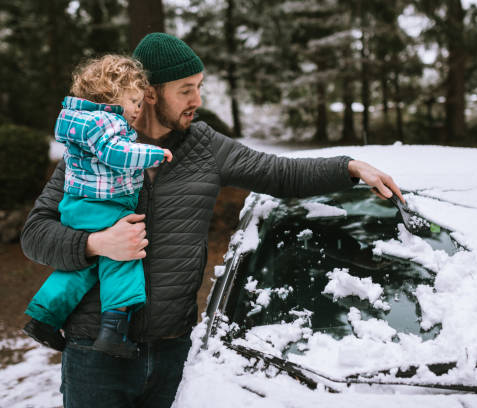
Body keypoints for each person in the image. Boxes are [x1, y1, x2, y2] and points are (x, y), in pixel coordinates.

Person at [20, 33, 404, 407]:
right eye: (186, 89)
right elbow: (35, 234)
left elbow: (281, 173)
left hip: (174, 352)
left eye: (199, 87)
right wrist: (94, 244)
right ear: (149, 92)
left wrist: (349, 168)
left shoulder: (206, 146)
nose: (197, 100)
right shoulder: (91, 149)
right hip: (94, 353)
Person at [23, 55, 173, 359]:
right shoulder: (104, 123)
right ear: (109, 95)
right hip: (101, 206)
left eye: (140, 102)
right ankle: (113, 329)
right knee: (124, 257)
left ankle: (44, 317)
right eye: (132, 100)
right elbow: (116, 153)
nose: (137, 109)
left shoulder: (82, 123)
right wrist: (153, 154)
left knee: (82, 266)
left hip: (80, 206)